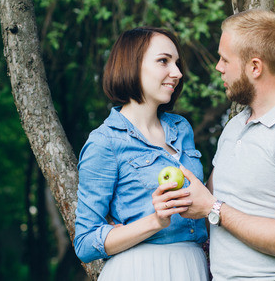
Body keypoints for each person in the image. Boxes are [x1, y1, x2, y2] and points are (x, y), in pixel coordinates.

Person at [179, 9, 275, 280]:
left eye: (225, 59)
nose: (218, 67)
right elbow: (206, 202)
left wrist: (213, 209)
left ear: (255, 67)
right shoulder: (236, 126)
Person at [73, 27, 209, 281]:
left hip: (193, 267)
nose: (177, 73)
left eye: (177, 63)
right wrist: (155, 221)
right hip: (141, 270)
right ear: (132, 65)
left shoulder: (181, 129)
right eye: (163, 61)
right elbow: (85, 242)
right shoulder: (105, 142)